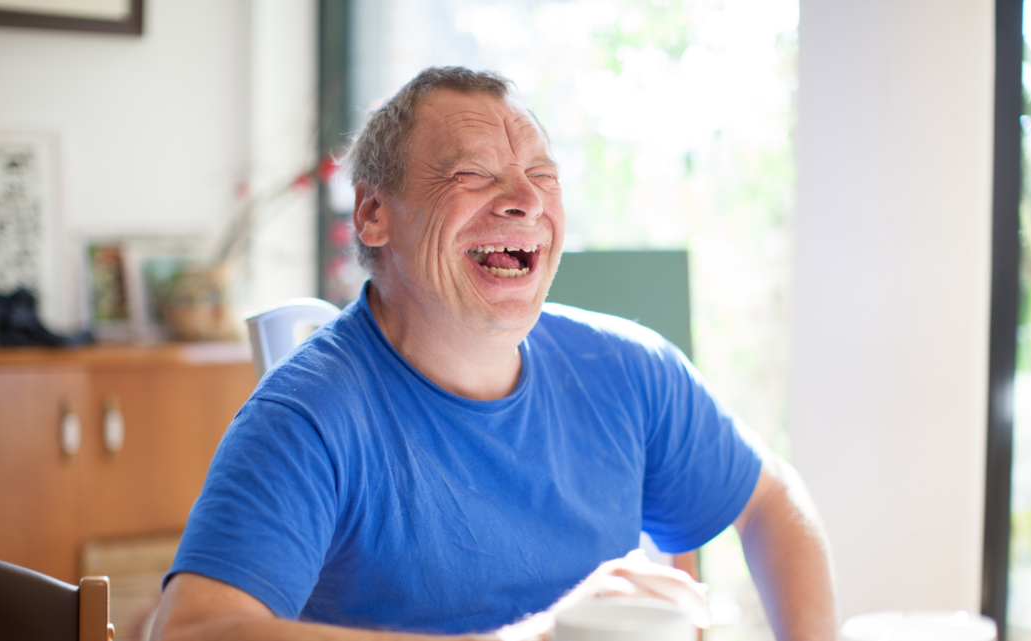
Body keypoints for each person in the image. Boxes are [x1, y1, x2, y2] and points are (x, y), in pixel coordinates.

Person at [152, 66, 837, 641]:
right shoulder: (308, 414)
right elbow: (188, 630)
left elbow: (772, 500)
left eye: (543, 173)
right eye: (474, 174)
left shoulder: (629, 369)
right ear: (372, 214)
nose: (527, 199)